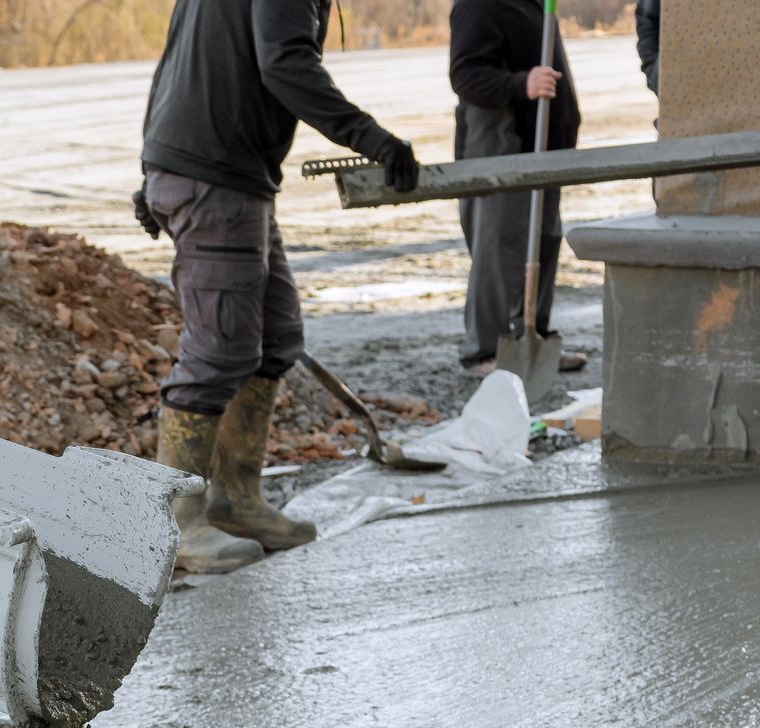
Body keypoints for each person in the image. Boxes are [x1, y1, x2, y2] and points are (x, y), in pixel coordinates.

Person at [135, 0, 419, 574]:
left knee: (274, 338)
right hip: (212, 176)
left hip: (227, 174)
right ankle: (174, 525)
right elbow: (285, 65)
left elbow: (177, 62)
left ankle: (236, 500)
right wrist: (376, 140)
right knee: (219, 350)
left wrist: (154, 165)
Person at [450, 0, 585, 377]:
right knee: (498, 247)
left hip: (544, 143)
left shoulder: (537, 3)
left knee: (544, 239)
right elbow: (465, 74)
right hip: (499, 144)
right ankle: (484, 351)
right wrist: (520, 83)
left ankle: (533, 339)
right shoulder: (477, 6)